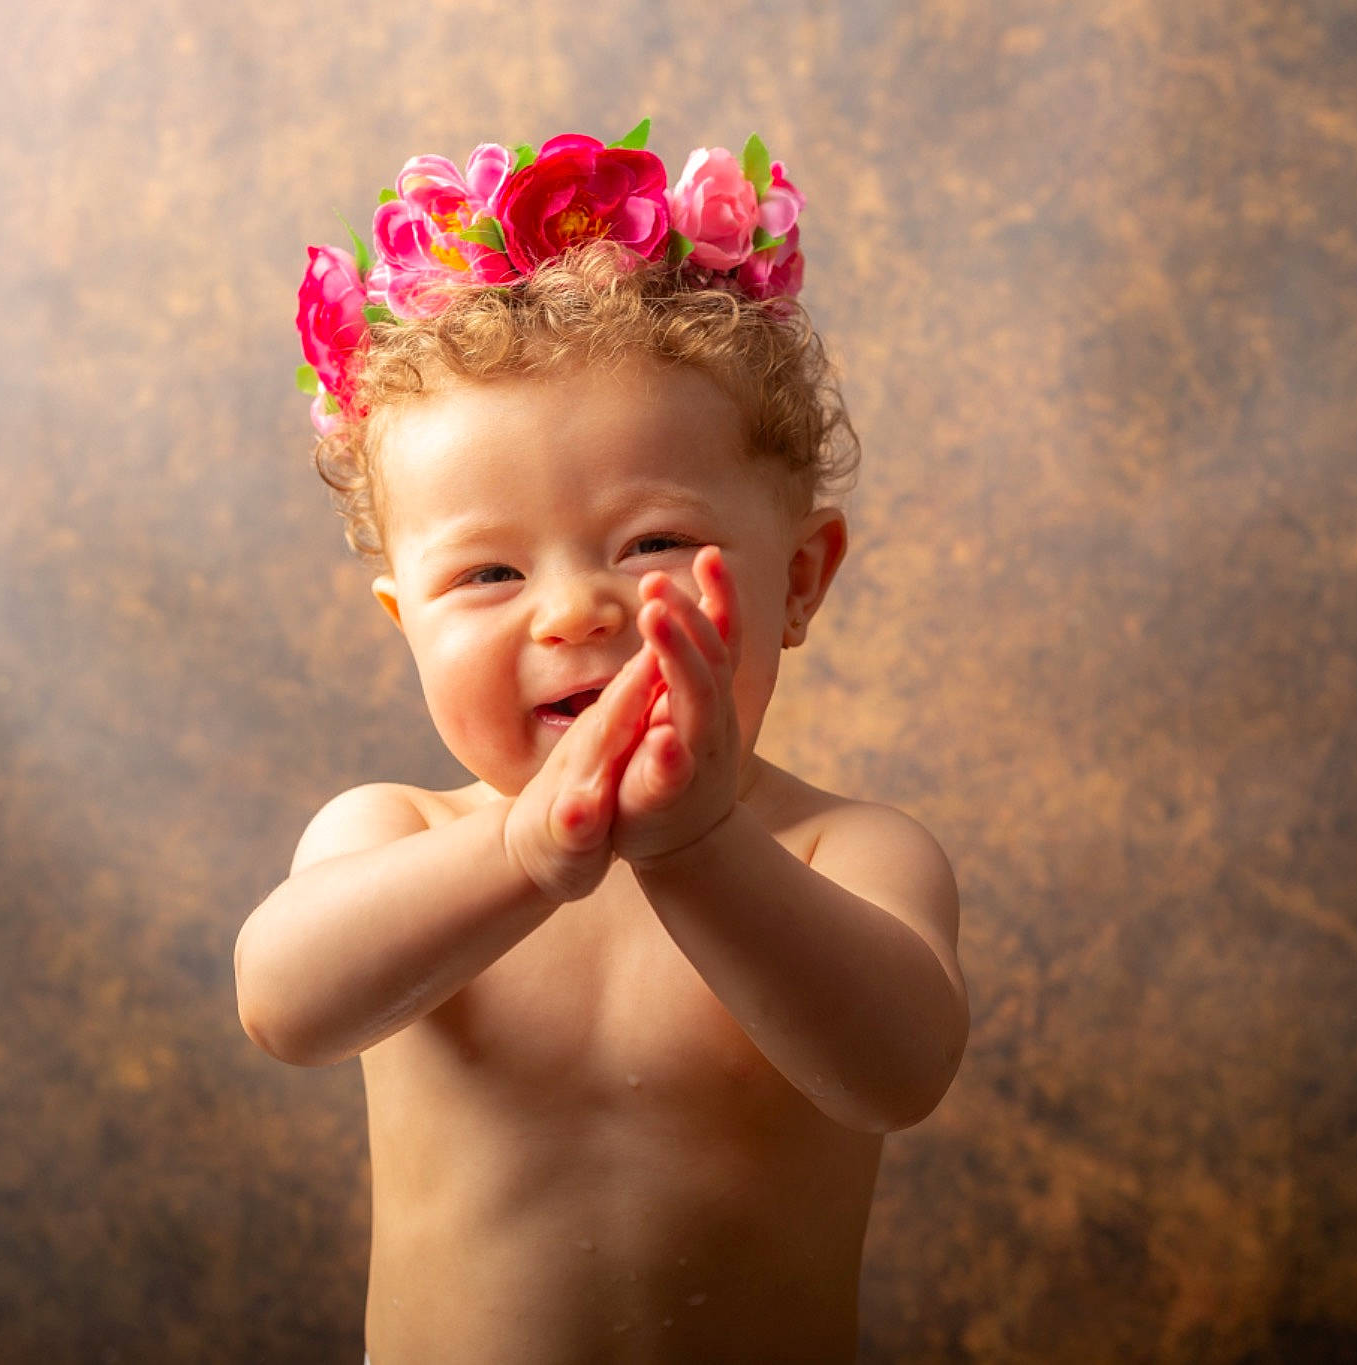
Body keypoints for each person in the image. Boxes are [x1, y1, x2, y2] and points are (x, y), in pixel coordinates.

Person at [235, 125, 969, 1364]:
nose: (575, 610)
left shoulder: (846, 851)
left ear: (798, 578)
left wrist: (697, 851)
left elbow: (894, 1074)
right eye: (487, 571)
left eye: (650, 543)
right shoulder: (394, 836)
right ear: (403, 620)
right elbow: (284, 1004)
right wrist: (521, 853)